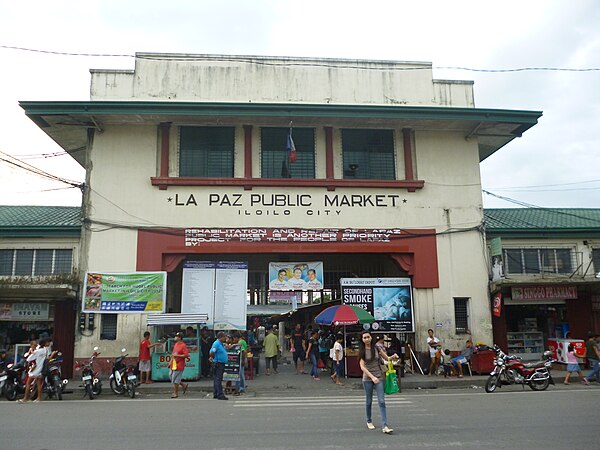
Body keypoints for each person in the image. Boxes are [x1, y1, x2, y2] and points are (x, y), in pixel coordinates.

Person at [359, 331, 394, 434]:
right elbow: (362, 367)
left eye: (368, 337)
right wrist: (372, 377)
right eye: (364, 338)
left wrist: (393, 357)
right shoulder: (362, 351)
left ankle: (385, 425)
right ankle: (369, 420)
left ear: (371, 337)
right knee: (368, 401)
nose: (366, 339)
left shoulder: (377, 348)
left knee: (382, 401)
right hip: (368, 378)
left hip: (379, 377)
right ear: (362, 340)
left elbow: (387, 358)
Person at [18, 338, 48, 403]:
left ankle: (25, 398)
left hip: (35, 370)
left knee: (28, 384)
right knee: (38, 384)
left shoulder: (37, 352)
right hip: (40, 369)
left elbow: (28, 359)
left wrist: (32, 353)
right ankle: (39, 398)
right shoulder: (44, 350)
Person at [210, 331, 229, 400]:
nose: (225, 338)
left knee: (217, 378)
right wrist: (213, 358)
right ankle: (220, 394)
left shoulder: (220, 344)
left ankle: (216, 393)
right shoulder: (216, 343)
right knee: (218, 379)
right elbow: (212, 352)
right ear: (221, 337)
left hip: (221, 363)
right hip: (218, 363)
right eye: (224, 337)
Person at [169, 332, 189, 399]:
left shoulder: (183, 345)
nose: (175, 337)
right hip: (174, 363)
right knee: (171, 376)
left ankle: (175, 393)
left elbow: (186, 355)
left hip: (179, 364)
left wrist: (177, 355)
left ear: (180, 338)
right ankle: (183, 385)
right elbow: (173, 354)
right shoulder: (176, 344)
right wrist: (170, 362)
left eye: (176, 336)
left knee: (175, 379)